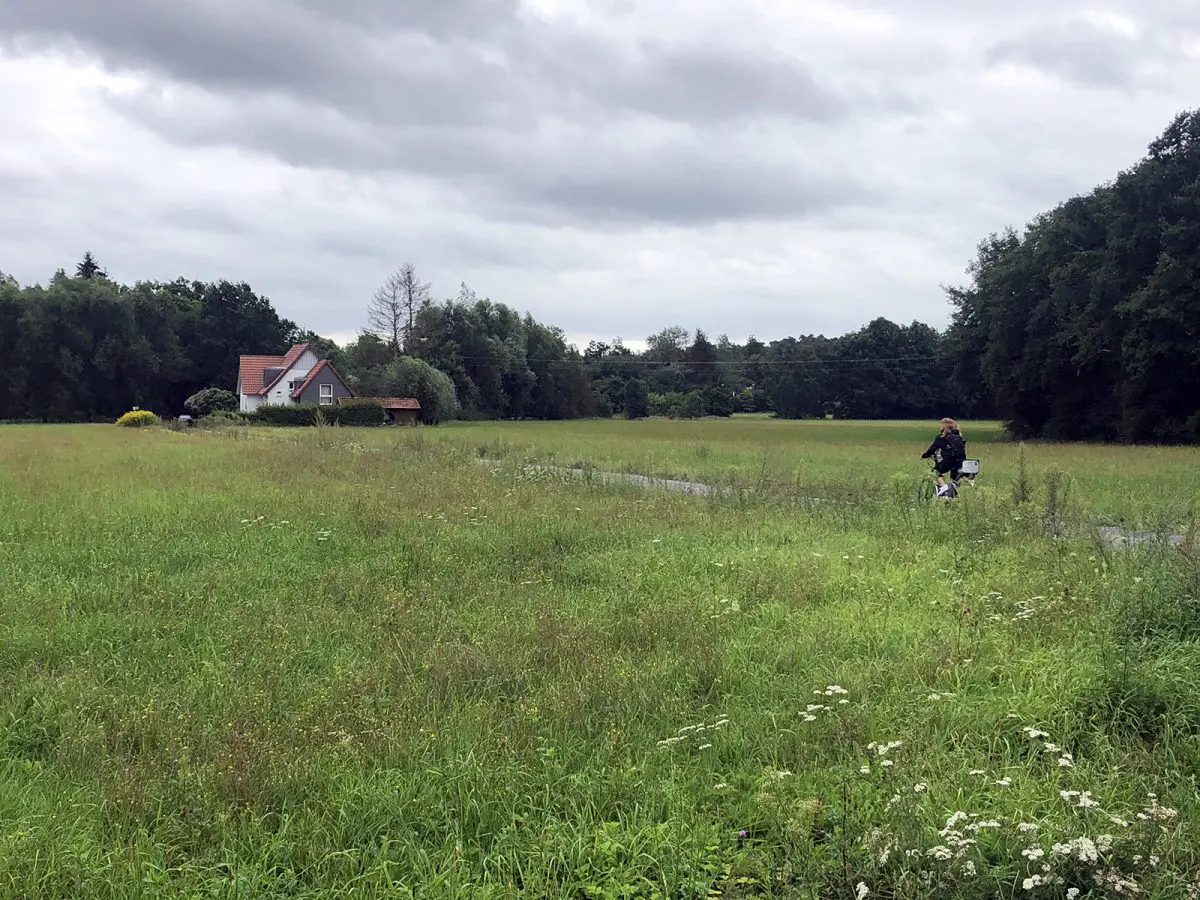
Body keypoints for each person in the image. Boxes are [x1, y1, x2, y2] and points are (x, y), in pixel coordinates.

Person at [921, 418, 966, 498]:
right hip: (961, 461)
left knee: (936, 471)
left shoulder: (941, 437)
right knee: (954, 481)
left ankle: (943, 486)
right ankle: (950, 496)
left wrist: (925, 455)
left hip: (949, 460)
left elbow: (932, 449)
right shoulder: (959, 437)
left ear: (944, 426)